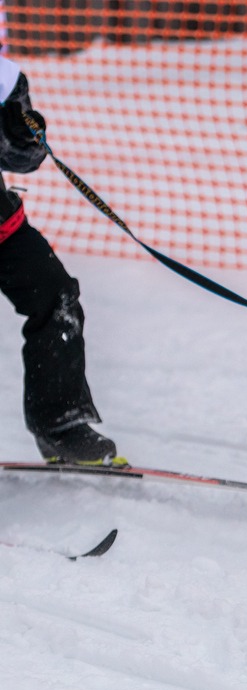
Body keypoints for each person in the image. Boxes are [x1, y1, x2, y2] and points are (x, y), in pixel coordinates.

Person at [0, 54, 120, 465]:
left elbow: (22, 159)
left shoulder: (5, 79)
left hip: (3, 228)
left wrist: (23, 134)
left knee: (56, 296)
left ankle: (60, 426)